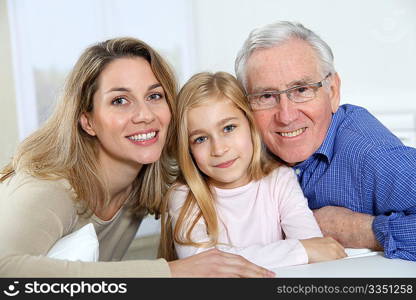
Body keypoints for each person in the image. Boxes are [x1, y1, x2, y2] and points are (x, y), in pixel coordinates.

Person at [0, 37, 275, 278]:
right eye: (120, 100)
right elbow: (5, 269)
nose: (145, 115)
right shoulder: (49, 186)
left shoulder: (149, 176)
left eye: (155, 96)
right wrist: (170, 273)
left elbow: (237, 182)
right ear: (87, 121)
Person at [235, 21, 416, 261]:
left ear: (332, 91)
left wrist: (363, 230)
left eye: (301, 90)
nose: (286, 116)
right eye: (266, 96)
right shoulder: (240, 147)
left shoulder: (371, 153)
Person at [158, 71, 346, 269]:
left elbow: (315, 248)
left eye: (229, 128)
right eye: (200, 139)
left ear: (251, 125)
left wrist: (306, 250)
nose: (219, 149)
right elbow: (202, 264)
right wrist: (299, 251)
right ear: (188, 148)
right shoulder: (185, 195)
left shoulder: (279, 179)